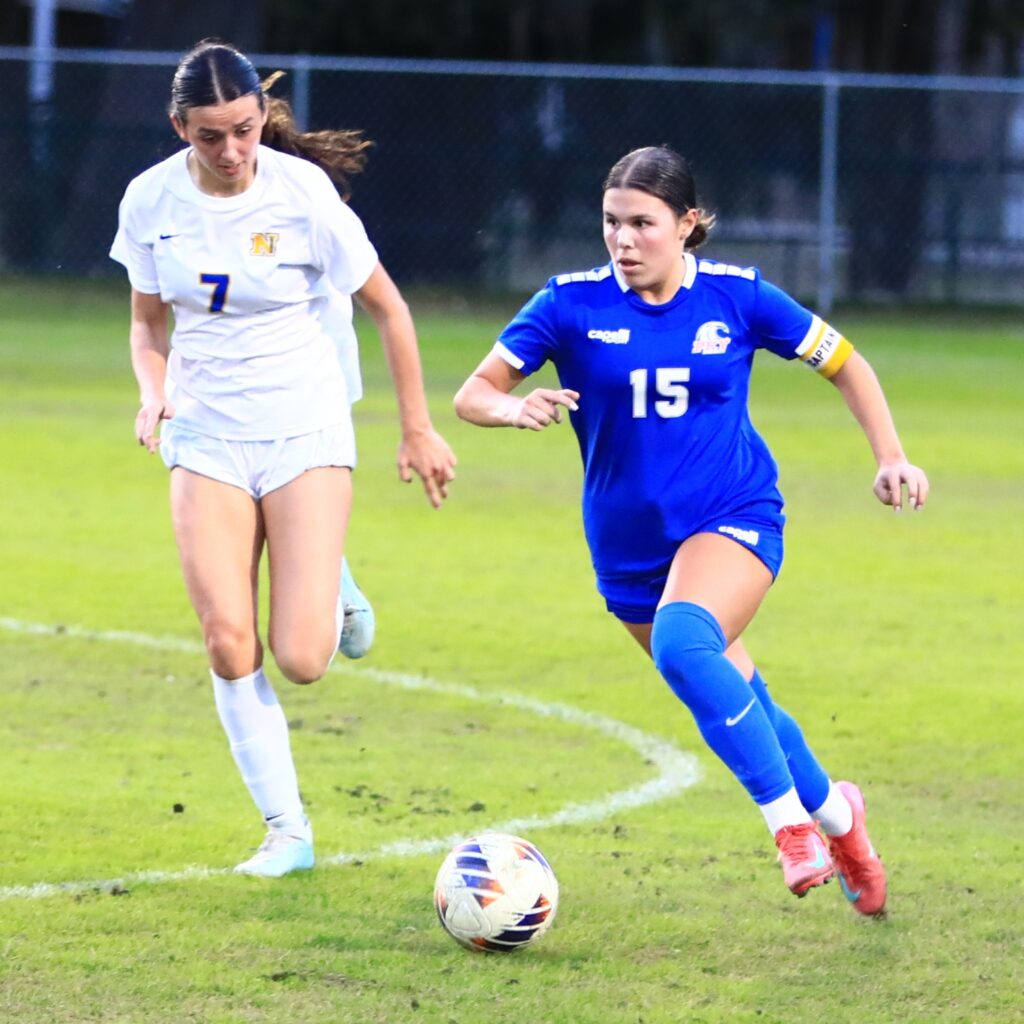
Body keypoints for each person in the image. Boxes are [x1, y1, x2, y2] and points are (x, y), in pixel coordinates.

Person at [454, 145, 928, 917]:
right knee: (741, 697)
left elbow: (846, 362)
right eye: (612, 222)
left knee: (683, 643)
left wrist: (891, 456)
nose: (623, 239)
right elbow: (474, 392)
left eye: (643, 223)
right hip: (628, 550)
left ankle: (790, 830)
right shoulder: (569, 305)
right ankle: (842, 820)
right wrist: (513, 407)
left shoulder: (739, 298)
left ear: (688, 224)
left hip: (733, 515)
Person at [110, 40, 456, 877]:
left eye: (243, 130)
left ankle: (329, 572)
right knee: (230, 643)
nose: (230, 153)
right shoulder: (150, 200)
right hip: (206, 433)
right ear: (178, 128)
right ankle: (287, 831)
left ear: (261, 117)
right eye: (208, 137)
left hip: (303, 425)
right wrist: (152, 390)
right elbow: (148, 324)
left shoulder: (303, 194)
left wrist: (417, 427)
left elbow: (391, 310)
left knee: (302, 659)